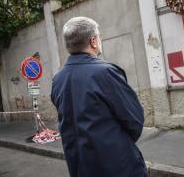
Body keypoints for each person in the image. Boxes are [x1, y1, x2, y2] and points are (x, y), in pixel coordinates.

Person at [51, 17, 147, 177]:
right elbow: (134, 120)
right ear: (93, 41)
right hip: (118, 166)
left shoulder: (58, 79)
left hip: (79, 167)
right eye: (99, 36)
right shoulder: (106, 72)